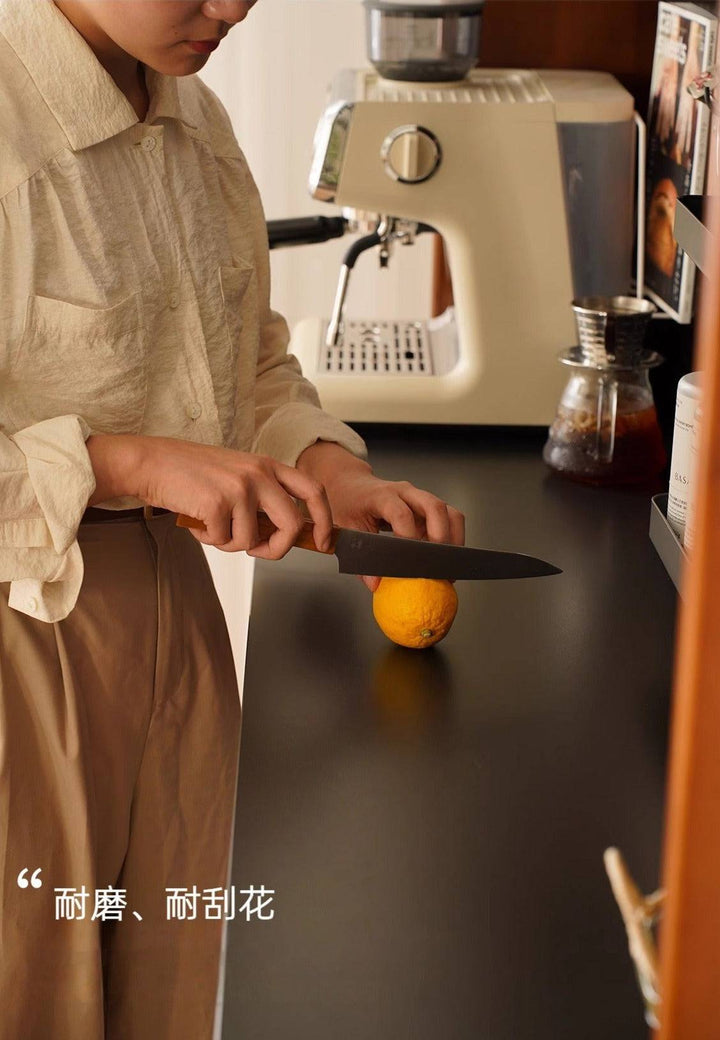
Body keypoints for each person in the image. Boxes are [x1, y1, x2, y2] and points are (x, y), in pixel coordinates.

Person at [0, 1, 465, 1037]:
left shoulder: (197, 123)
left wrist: (327, 463)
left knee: (184, 987)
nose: (235, 5)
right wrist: (124, 462)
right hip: (26, 658)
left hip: (183, 642)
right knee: (35, 992)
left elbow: (247, 358)